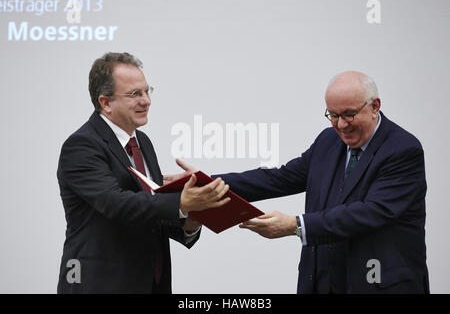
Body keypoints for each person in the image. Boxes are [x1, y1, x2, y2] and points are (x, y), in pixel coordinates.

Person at [166, 71, 429, 293]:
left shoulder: (403, 150)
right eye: (332, 115)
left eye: (349, 114)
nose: (341, 125)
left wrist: (296, 226)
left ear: (375, 106)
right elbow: (278, 178)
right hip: (322, 282)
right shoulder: (328, 140)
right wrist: (205, 183)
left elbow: (370, 212)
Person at [56, 52, 230, 294]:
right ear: (105, 103)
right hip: (101, 285)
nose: (146, 101)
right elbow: (116, 203)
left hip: (151, 283)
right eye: (135, 94)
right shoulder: (81, 145)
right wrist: (180, 202)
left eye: (147, 91)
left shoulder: (142, 142)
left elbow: (151, 210)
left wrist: (190, 219)